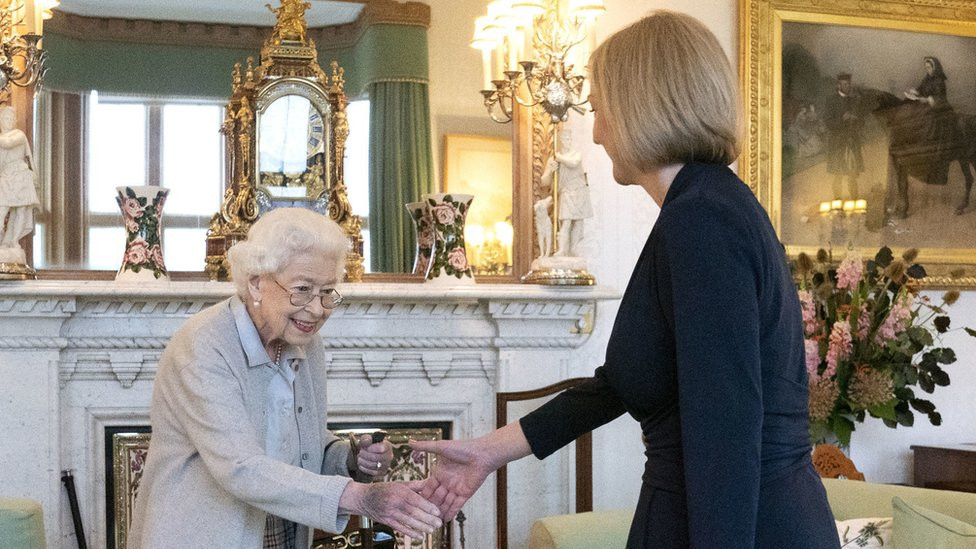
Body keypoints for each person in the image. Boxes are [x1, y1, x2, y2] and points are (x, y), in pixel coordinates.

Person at [412, 10, 839, 549]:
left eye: (603, 109)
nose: (597, 131)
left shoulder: (702, 218)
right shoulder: (703, 206)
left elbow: (725, 429)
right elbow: (624, 382)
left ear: (643, 108)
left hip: (743, 525)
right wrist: (489, 451)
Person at [127, 208, 442, 549]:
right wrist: (360, 496)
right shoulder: (203, 346)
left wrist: (350, 460)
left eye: (327, 292)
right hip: (204, 535)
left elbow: (299, 443)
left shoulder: (305, 342)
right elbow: (240, 465)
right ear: (256, 282)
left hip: (284, 530)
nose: (318, 309)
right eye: (303, 289)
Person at [903, 56, 958, 185]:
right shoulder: (927, 78)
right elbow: (921, 88)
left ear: (934, 67)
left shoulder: (939, 80)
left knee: (930, 124)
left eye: (929, 67)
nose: (927, 70)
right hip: (929, 107)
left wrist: (926, 100)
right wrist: (914, 92)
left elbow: (939, 98)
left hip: (940, 110)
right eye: (926, 68)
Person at [539, 127, 594, 256]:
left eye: (569, 139)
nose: (567, 141)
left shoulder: (575, 154)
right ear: (560, 141)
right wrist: (551, 171)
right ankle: (563, 250)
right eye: (564, 139)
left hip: (579, 191)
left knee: (578, 222)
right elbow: (544, 182)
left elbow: (574, 163)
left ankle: (574, 249)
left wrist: (559, 158)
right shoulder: (553, 159)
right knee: (566, 222)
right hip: (566, 192)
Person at [0, 105, 39, 252]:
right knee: (2, 209)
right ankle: (3, 241)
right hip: (5, 177)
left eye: (10, 118)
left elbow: (8, 143)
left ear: (15, 120)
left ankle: (13, 241)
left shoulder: (18, 135)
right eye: (5, 118)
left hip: (21, 176)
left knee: (21, 210)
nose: (8, 121)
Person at [823, 73, 864, 199]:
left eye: (849, 84)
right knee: (838, 175)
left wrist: (857, 120)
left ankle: (855, 202)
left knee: (852, 175)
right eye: (844, 84)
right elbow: (828, 123)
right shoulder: (831, 101)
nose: (847, 87)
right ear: (838, 85)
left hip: (851, 142)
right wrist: (842, 119)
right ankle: (837, 203)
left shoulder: (854, 100)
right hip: (837, 143)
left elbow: (862, 122)